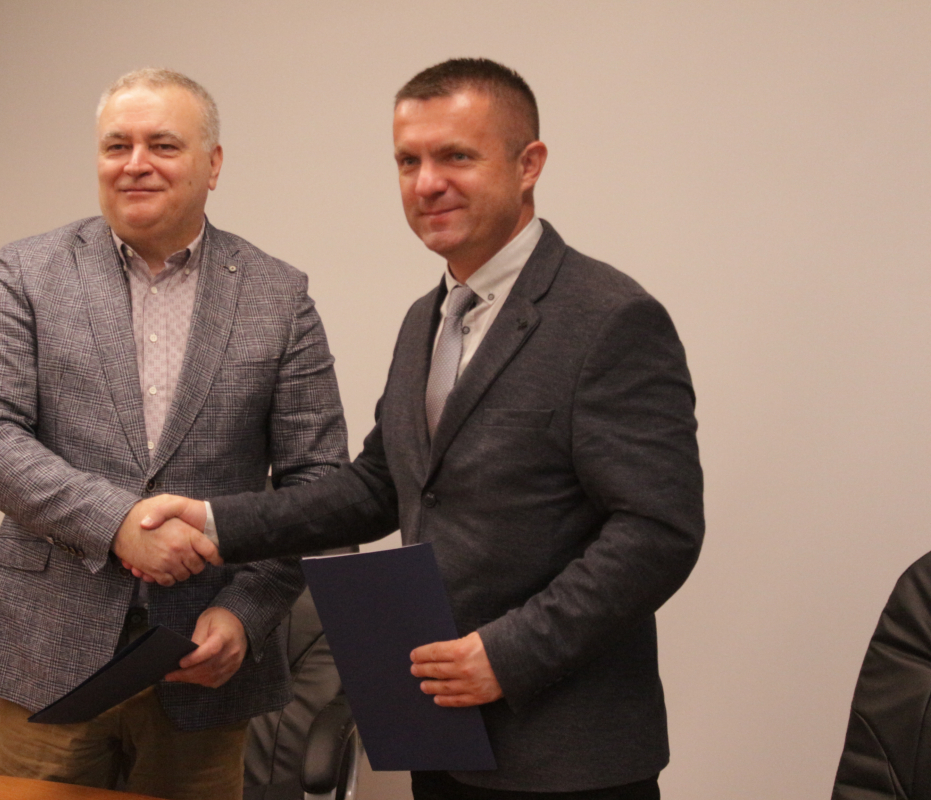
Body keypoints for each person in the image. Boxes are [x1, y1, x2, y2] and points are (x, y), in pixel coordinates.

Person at [124, 58, 705, 799]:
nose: (427, 183)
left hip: (568, 755)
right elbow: (378, 486)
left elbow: (658, 531)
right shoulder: (425, 318)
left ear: (529, 164)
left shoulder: (610, 318)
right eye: (408, 161)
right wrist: (214, 522)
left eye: (456, 156)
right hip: (441, 737)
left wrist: (508, 654)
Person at [0, 68, 348, 800]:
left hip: (204, 662)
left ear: (212, 164)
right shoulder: (29, 272)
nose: (136, 164)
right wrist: (117, 523)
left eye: (163, 144)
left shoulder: (278, 295)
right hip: (49, 655)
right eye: (117, 146)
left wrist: (246, 613)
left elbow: (318, 486)